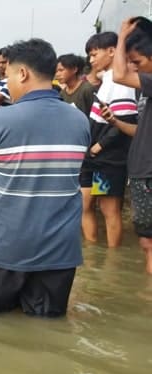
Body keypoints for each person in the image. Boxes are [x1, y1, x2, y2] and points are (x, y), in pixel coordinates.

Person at [0, 39, 90, 317]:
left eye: (7, 75)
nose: (6, 84)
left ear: (22, 74)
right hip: (60, 253)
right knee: (48, 332)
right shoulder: (79, 120)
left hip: (5, 248)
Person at [81, 31, 137, 248]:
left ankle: (112, 259)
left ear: (112, 51)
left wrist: (98, 146)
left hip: (107, 157)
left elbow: (123, 122)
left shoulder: (121, 82)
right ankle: (92, 251)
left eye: (95, 54)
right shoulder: (107, 79)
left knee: (109, 209)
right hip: (93, 156)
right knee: (84, 204)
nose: (91, 60)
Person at [110, 16, 152, 273]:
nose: (133, 68)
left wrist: (122, 35)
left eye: (137, 62)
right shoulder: (146, 89)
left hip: (148, 175)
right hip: (142, 173)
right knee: (147, 241)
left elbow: (118, 75)